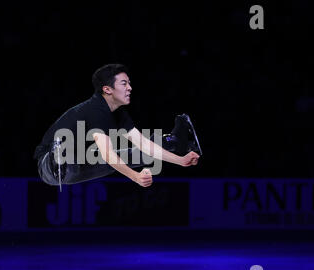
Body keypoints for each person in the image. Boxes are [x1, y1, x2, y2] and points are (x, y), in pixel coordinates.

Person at [34, 64, 201, 189]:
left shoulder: (118, 113)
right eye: (124, 84)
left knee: (133, 155)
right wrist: (135, 177)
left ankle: (177, 142)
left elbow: (143, 144)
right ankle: (58, 158)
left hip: (82, 161)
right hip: (48, 167)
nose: (130, 88)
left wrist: (181, 160)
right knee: (111, 159)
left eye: (129, 83)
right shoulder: (96, 110)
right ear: (107, 89)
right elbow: (108, 155)